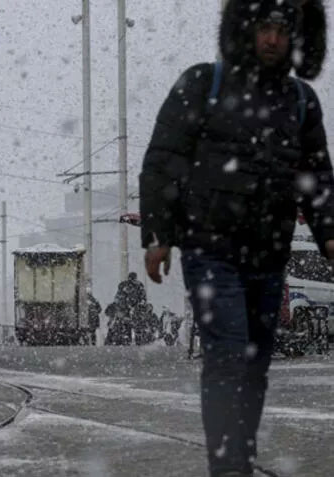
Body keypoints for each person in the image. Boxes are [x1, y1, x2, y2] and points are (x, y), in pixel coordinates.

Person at [139, 1, 331, 474]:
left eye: (282, 30)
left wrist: (329, 234)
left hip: (268, 257)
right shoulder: (203, 84)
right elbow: (163, 160)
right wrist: (159, 234)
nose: (272, 39)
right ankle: (228, 466)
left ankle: (239, 455)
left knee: (254, 365)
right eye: (264, 27)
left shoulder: (301, 101)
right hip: (210, 253)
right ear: (244, 28)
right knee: (227, 356)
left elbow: (317, 178)